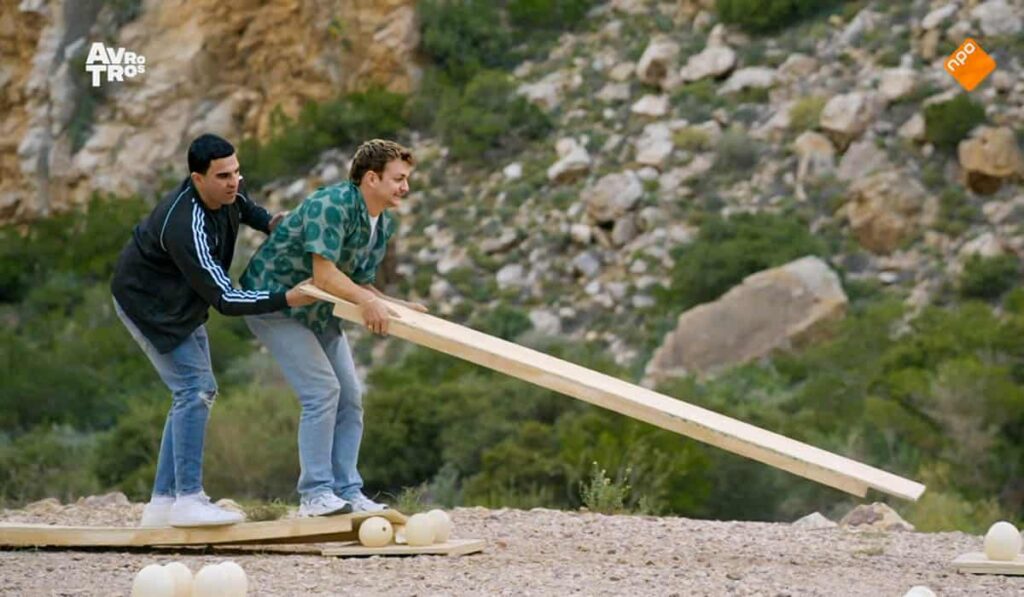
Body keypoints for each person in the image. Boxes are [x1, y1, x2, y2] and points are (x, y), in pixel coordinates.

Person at [110, 133, 317, 527]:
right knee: (195, 389)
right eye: (223, 175)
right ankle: (188, 498)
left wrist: (283, 225)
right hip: (149, 306)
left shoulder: (227, 194)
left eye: (237, 172)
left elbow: (251, 212)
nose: (234, 181)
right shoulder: (185, 225)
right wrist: (287, 298)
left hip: (181, 302)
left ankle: (162, 505)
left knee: (191, 392)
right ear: (196, 178)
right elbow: (226, 299)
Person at [240, 139, 427, 517]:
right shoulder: (332, 205)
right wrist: (368, 302)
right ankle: (315, 495)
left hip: (318, 311)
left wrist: (394, 305)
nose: (405, 187)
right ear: (371, 178)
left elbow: (357, 282)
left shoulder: (382, 223)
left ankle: (347, 491)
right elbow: (325, 275)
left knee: (350, 398)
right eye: (398, 179)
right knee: (322, 391)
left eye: (406, 179)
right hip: (274, 302)